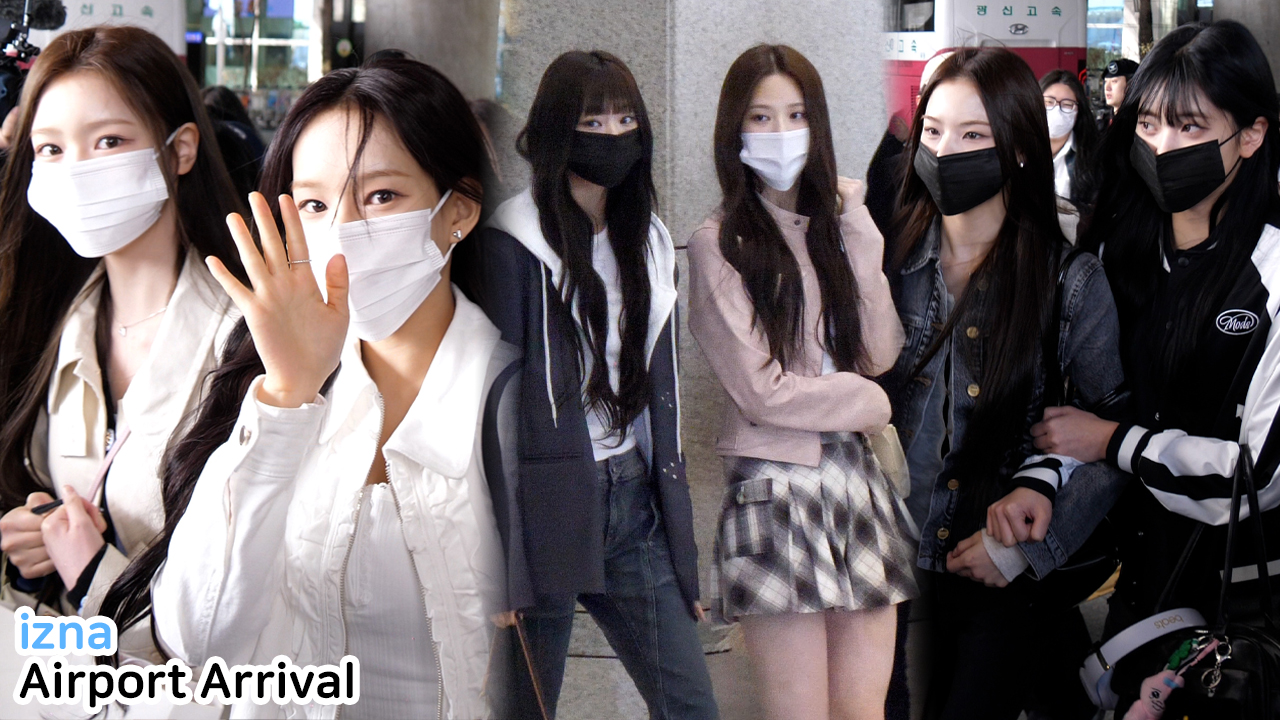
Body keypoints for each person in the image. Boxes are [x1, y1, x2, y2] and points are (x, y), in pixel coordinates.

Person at [145, 54, 506, 718]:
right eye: (313, 203)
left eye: (381, 196)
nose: (340, 232)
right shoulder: (275, 383)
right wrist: (286, 397)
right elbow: (199, 640)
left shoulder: (513, 396)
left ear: (458, 210)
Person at [469, 50, 718, 720]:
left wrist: (683, 555)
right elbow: (486, 413)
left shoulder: (650, 242)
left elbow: (660, 405)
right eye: (592, 121)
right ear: (556, 131)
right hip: (542, 513)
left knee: (691, 704)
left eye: (625, 119)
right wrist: (497, 561)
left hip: (633, 503)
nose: (613, 134)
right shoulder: (512, 245)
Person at [880, 48, 1126, 720]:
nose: (944, 152)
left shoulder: (1069, 282)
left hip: (994, 568)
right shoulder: (886, 262)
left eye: (972, 135)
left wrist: (1026, 550)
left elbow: (1109, 442)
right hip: (886, 562)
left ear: (1018, 149)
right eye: (933, 131)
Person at [0, 25, 245, 664]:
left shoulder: (246, 340)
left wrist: (94, 575)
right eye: (51, 149)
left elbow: (245, 611)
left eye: (108, 141)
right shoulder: (54, 324)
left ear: (180, 149)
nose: (76, 171)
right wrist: (30, 563)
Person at [687, 44, 917, 720]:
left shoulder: (834, 228)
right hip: (775, 488)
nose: (780, 131)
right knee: (798, 710)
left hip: (857, 482)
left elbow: (879, 350)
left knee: (863, 709)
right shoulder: (718, 242)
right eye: (760, 117)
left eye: (795, 114)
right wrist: (867, 402)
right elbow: (762, 392)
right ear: (734, 129)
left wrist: (857, 226)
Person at [1041, 20, 1280, 636]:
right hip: (1135, 583)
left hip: (1241, 602)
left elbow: (1259, 477)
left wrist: (1114, 442)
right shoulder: (1114, 254)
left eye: (1190, 126)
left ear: (1252, 135)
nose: (1163, 146)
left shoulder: (1273, 274)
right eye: (1148, 124)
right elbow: (1069, 407)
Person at [1099, 58, 1138, 130]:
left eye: (1114, 81)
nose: (1107, 88)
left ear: (1131, 85)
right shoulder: (1103, 124)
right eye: (1106, 82)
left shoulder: (1138, 125)